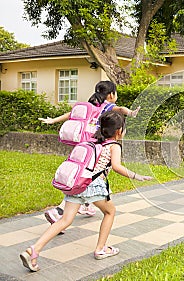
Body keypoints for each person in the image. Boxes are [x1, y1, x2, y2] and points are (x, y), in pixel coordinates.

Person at [20, 111, 153, 272]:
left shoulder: (93, 140)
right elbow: (117, 167)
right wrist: (137, 176)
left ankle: (34, 250)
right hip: (92, 185)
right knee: (110, 212)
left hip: (78, 182)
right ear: (119, 131)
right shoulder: (114, 145)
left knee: (65, 220)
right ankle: (101, 249)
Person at [39, 81, 140, 226]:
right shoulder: (108, 106)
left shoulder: (91, 105)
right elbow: (121, 109)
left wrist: (53, 120)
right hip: (97, 147)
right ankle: (59, 212)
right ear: (111, 94)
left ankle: (86, 205)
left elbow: (71, 114)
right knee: (90, 178)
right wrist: (131, 113)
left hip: (83, 145)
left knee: (87, 176)